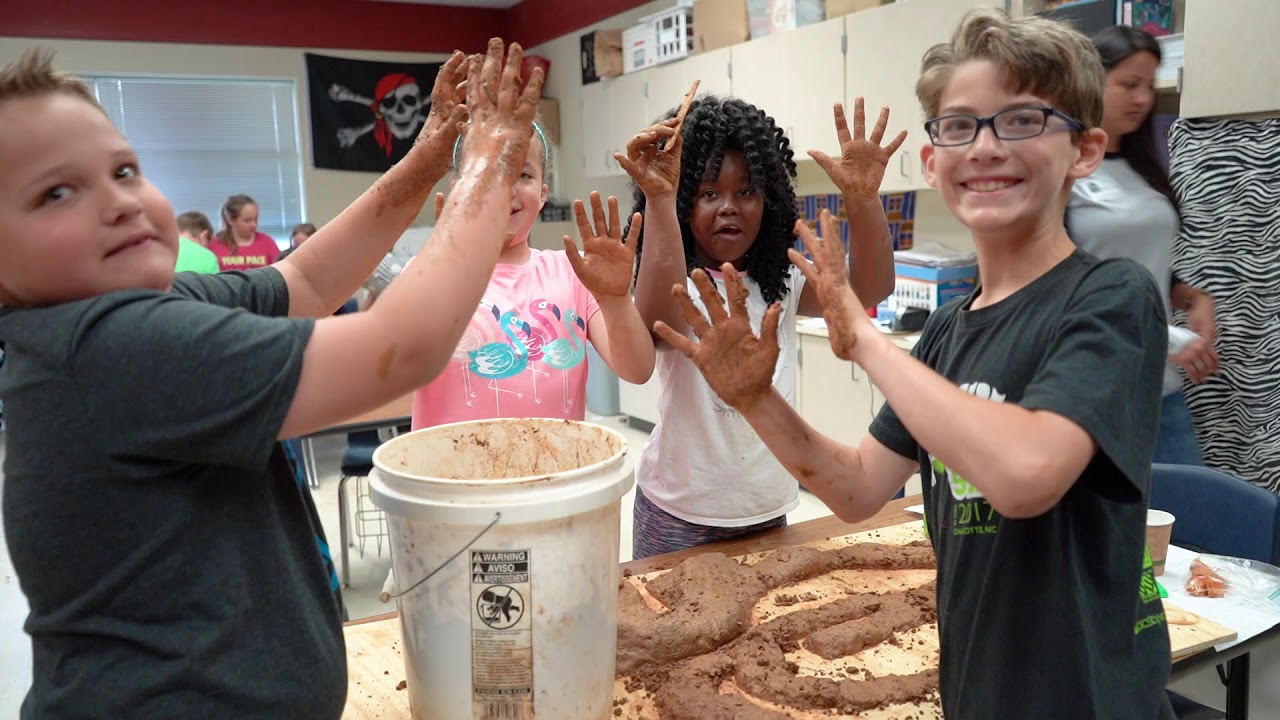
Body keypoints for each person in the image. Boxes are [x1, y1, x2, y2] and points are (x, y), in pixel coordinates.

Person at [653, 9, 1175, 719]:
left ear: (1084, 151)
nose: (985, 147)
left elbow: (1026, 476)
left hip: (1089, 699)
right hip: (977, 691)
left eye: (1022, 120)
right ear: (933, 162)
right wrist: (754, 399)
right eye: (960, 126)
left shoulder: (1112, 297)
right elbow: (856, 489)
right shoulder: (948, 334)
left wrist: (864, 339)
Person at [0, 40, 543, 718]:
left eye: (125, 170)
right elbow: (403, 348)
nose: (118, 202)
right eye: (56, 193)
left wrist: (431, 154)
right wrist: (489, 166)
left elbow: (307, 281)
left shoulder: (146, 307)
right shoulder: (109, 348)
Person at [620, 90, 900, 558]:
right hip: (679, 512)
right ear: (685, 202)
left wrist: (863, 200)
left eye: (746, 191)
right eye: (708, 193)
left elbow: (869, 289)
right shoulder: (674, 278)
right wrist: (659, 198)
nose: (729, 206)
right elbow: (655, 330)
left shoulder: (780, 281)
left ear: (769, 200)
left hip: (766, 507)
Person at [409, 118, 655, 429]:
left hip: (556, 460)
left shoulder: (578, 273)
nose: (505, 187)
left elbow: (638, 371)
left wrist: (616, 300)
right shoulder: (428, 274)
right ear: (458, 188)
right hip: (450, 459)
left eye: (523, 175)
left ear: (542, 193)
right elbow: (384, 374)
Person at [1067, 25, 1218, 465]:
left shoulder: (1142, 169)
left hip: (1159, 387)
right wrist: (1167, 336)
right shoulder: (1061, 172)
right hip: (1091, 391)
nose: (1142, 99)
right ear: (1090, 82)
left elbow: (1140, 262)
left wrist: (1192, 297)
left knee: (1190, 506)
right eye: (1129, 84)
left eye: (1149, 86)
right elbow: (1063, 287)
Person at [210, 192, 281, 271]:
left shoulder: (267, 242)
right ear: (230, 220)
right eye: (247, 220)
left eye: (256, 219)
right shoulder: (213, 244)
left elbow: (280, 271)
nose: (254, 224)